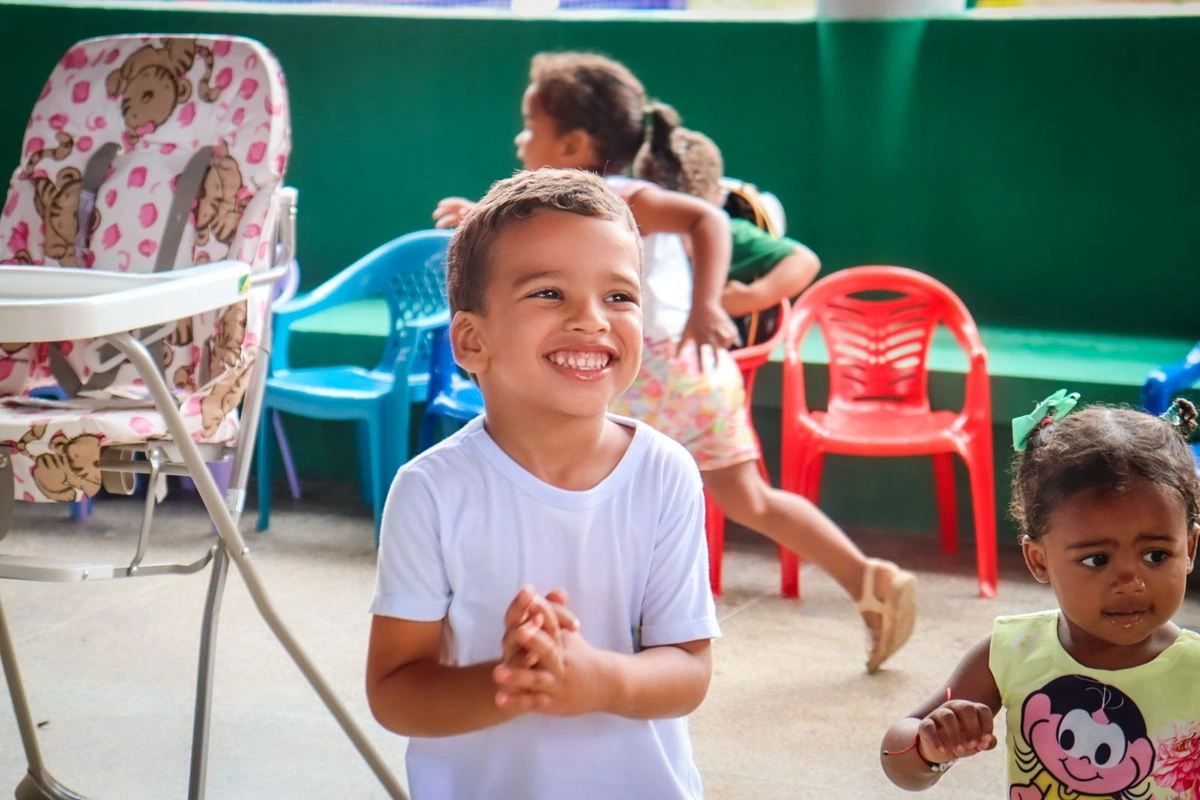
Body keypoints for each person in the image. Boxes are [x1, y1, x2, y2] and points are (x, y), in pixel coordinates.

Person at [433, 52, 917, 673]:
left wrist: (707, 304)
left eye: (530, 127)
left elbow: (707, 219)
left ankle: (593, 629)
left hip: (656, 373)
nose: (520, 140)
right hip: (686, 375)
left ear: (575, 142)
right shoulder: (589, 205)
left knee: (582, 486)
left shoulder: (617, 197)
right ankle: (869, 578)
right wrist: (479, 220)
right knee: (750, 498)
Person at [368, 168, 720, 800]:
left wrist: (600, 680)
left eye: (620, 297)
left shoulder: (666, 474)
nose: (592, 320)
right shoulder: (430, 490)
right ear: (472, 342)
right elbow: (395, 691)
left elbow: (690, 669)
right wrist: (511, 681)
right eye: (549, 294)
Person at [881, 391, 1200, 798]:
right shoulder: (1012, 651)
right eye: (1096, 559)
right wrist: (929, 745)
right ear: (1039, 560)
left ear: (1188, 549)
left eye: (1155, 555)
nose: (1130, 582)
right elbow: (896, 755)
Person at [632, 123, 821, 325]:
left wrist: (751, 296)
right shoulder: (628, 227)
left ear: (716, 201)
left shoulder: (730, 234)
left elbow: (804, 261)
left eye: (697, 224)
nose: (683, 240)